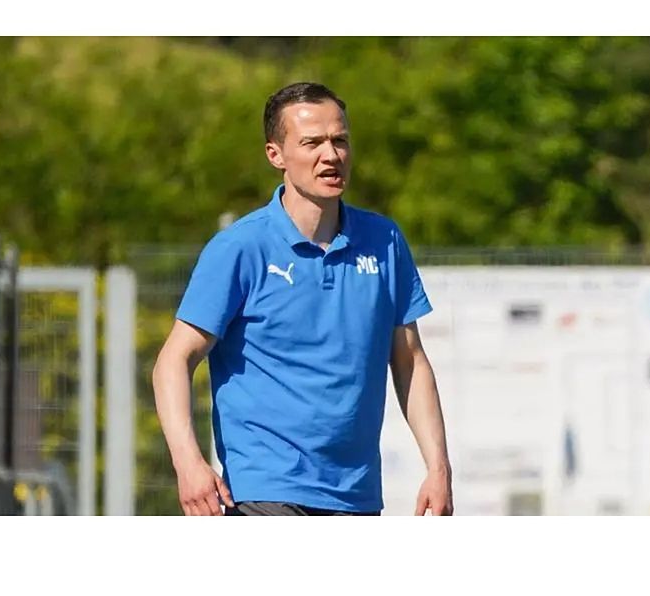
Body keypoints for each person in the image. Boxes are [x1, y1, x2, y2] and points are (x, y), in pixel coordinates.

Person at [151, 82, 452, 516]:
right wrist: (188, 463)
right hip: (266, 491)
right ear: (276, 155)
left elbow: (410, 361)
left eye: (340, 140)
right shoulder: (241, 248)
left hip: (356, 495)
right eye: (312, 143)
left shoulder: (384, 241)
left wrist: (438, 468)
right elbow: (173, 361)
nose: (331, 155)